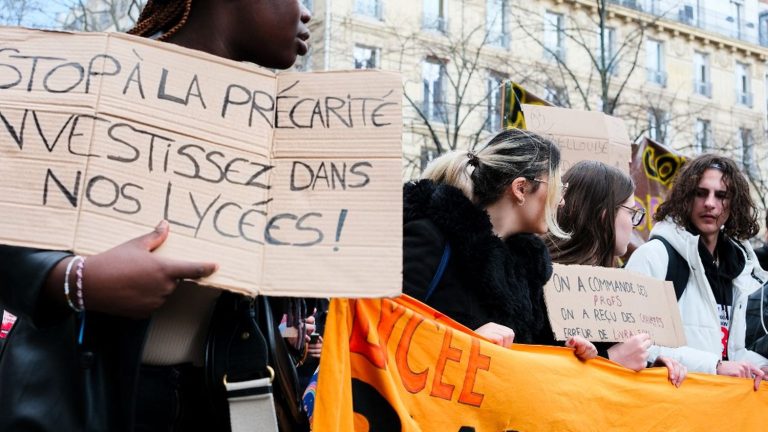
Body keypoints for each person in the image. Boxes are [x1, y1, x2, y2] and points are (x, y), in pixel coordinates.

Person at [0, 1, 313, 431]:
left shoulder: (275, 118)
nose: (306, 13)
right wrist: (77, 280)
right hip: (85, 400)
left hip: (222, 395)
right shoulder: (92, 76)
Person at [403, 128, 597, 361]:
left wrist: (569, 352)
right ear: (521, 189)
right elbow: (379, 326)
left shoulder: (526, 271)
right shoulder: (430, 238)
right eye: (557, 187)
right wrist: (466, 341)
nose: (562, 201)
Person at [626, 154, 768, 391]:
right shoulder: (655, 256)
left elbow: (729, 351)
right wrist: (714, 366)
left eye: (721, 195)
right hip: (669, 407)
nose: (710, 203)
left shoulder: (738, 269)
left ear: (734, 204)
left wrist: (760, 366)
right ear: (686, 197)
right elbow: (635, 343)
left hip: (718, 409)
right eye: (701, 193)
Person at [546, 160, 686, 387]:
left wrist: (652, 367)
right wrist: (613, 360)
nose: (635, 225)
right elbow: (539, 373)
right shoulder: (540, 279)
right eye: (631, 212)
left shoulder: (614, 288)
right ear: (604, 215)